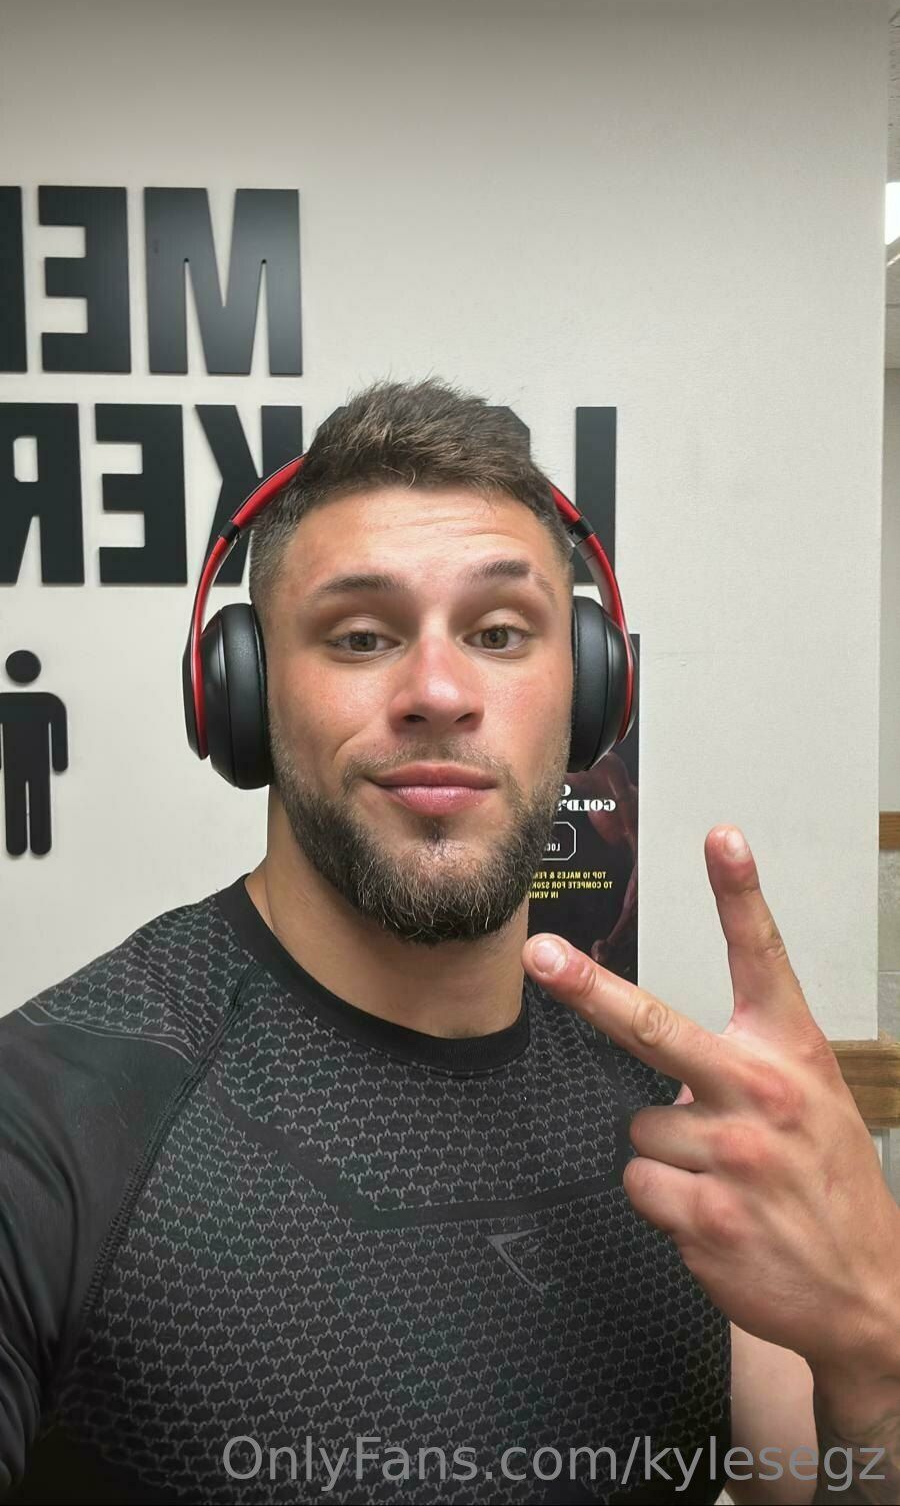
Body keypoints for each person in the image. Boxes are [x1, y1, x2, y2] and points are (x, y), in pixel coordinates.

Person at [1, 378, 897, 1506]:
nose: (438, 690)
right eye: (361, 636)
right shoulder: (48, 1123)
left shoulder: (685, 1136)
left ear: (592, 694)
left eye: (499, 632)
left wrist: (875, 1355)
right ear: (241, 696)